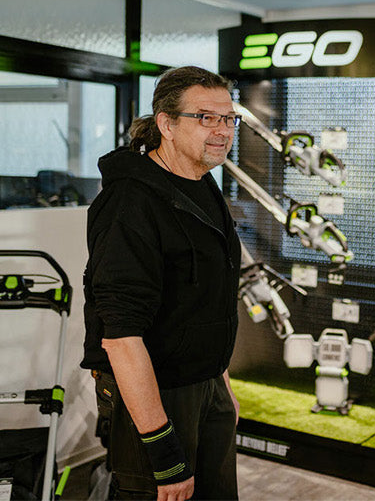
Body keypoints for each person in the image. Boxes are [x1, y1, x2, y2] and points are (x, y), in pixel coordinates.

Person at [83, 66, 242, 501]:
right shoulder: (129, 204)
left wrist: (220, 385)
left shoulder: (202, 184)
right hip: (153, 392)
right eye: (206, 117)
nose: (222, 130)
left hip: (204, 385)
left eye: (229, 118)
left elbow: (205, 301)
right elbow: (120, 337)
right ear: (166, 124)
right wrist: (163, 449)